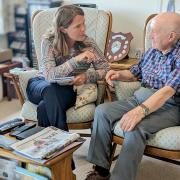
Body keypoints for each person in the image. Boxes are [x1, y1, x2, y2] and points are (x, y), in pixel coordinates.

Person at [86, 12, 180, 180]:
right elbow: (134, 73)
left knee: (135, 128)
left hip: (170, 105)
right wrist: (117, 74)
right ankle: (100, 170)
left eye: (154, 31)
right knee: (102, 111)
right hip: (140, 97)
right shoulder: (152, 51)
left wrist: (139, 112)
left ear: (171, 36)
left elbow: (167, 91)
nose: (150, 35)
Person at [26, 5, 109, 131]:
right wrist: (76, 60)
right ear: (63, 29)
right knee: (49, 89)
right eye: (77, 26)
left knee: (44, 107)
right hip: (39, 85)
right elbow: (49, 76)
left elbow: (105, 68)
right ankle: (65, 142)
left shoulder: (88, 44)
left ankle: (50, 146)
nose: (83, 29)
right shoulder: (48, 42)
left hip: (65, 89)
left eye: (84, 24)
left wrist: (87, 77)